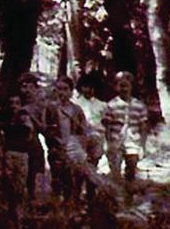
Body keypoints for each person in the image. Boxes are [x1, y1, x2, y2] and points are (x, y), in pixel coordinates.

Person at [46, 77, 88, 205]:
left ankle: (71, 204)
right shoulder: (51, 108)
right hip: (56, 148)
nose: (62, 93)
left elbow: (82, 130)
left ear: (71, 91)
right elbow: (47, 128)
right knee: (57, 178)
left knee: (71, 178)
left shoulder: (77, 110)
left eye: (65, 89)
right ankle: (57, 207)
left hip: (72, 148)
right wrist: (53, 143)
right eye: (59, 89)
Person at [102, 71, 148, 186]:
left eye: (126, 85)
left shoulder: (139, 105)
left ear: (131, 86)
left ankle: (129, 196)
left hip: (132, 141)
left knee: (131, 167)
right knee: (115, 170)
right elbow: (107, 125)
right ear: (116, 87)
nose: (124, 89)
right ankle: (117, 197)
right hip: (116, 140)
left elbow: (143, 126)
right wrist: (107, 143)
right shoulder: (112, 105)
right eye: (121, 86)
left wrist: (142, 145)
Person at [0, 94, 34, 227]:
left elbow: (30, 134)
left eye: (17, 103)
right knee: (9, 185)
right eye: (11, 103)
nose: (14, 106)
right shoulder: (5, 118)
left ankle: (20, 219)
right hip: (8, 153)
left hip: (22, 153)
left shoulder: (24, 117)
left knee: (20, 186)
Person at [18, 72, 48, 201]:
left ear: (36, 88)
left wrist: (32, 117)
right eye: (24, 87)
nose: (26, 91)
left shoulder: (41, 107)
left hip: (35, 145)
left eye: (30, 87)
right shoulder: (16, 104)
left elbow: (44, 128)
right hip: (19, 146)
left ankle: (36, 200)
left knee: (36, 175)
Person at [73, 71, 107, 182]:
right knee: (80, 165)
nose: (88, 90)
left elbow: (105, 123)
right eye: (85, 87)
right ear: (81, 87)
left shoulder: (102, 105)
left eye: (91, 87)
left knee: (93, 164)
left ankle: (90, 191)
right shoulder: (75, 103)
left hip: (96, 137)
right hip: (80, 137)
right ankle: (77, 191)